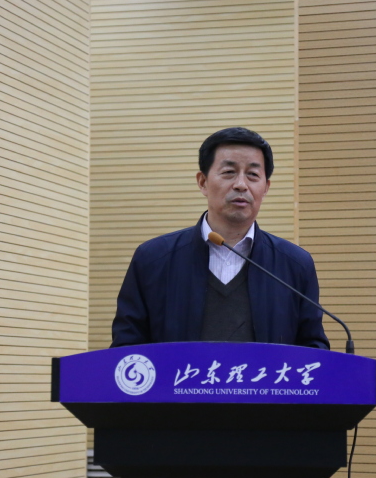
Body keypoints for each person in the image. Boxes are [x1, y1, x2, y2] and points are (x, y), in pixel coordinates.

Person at [110, 127, 330, 350]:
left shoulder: (295, 265)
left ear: (266, 188)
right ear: (203, 182)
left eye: (253, 175)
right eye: (229, 172)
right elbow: (126, 351)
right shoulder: (153, 259)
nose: (241, 184)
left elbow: (313, 351)